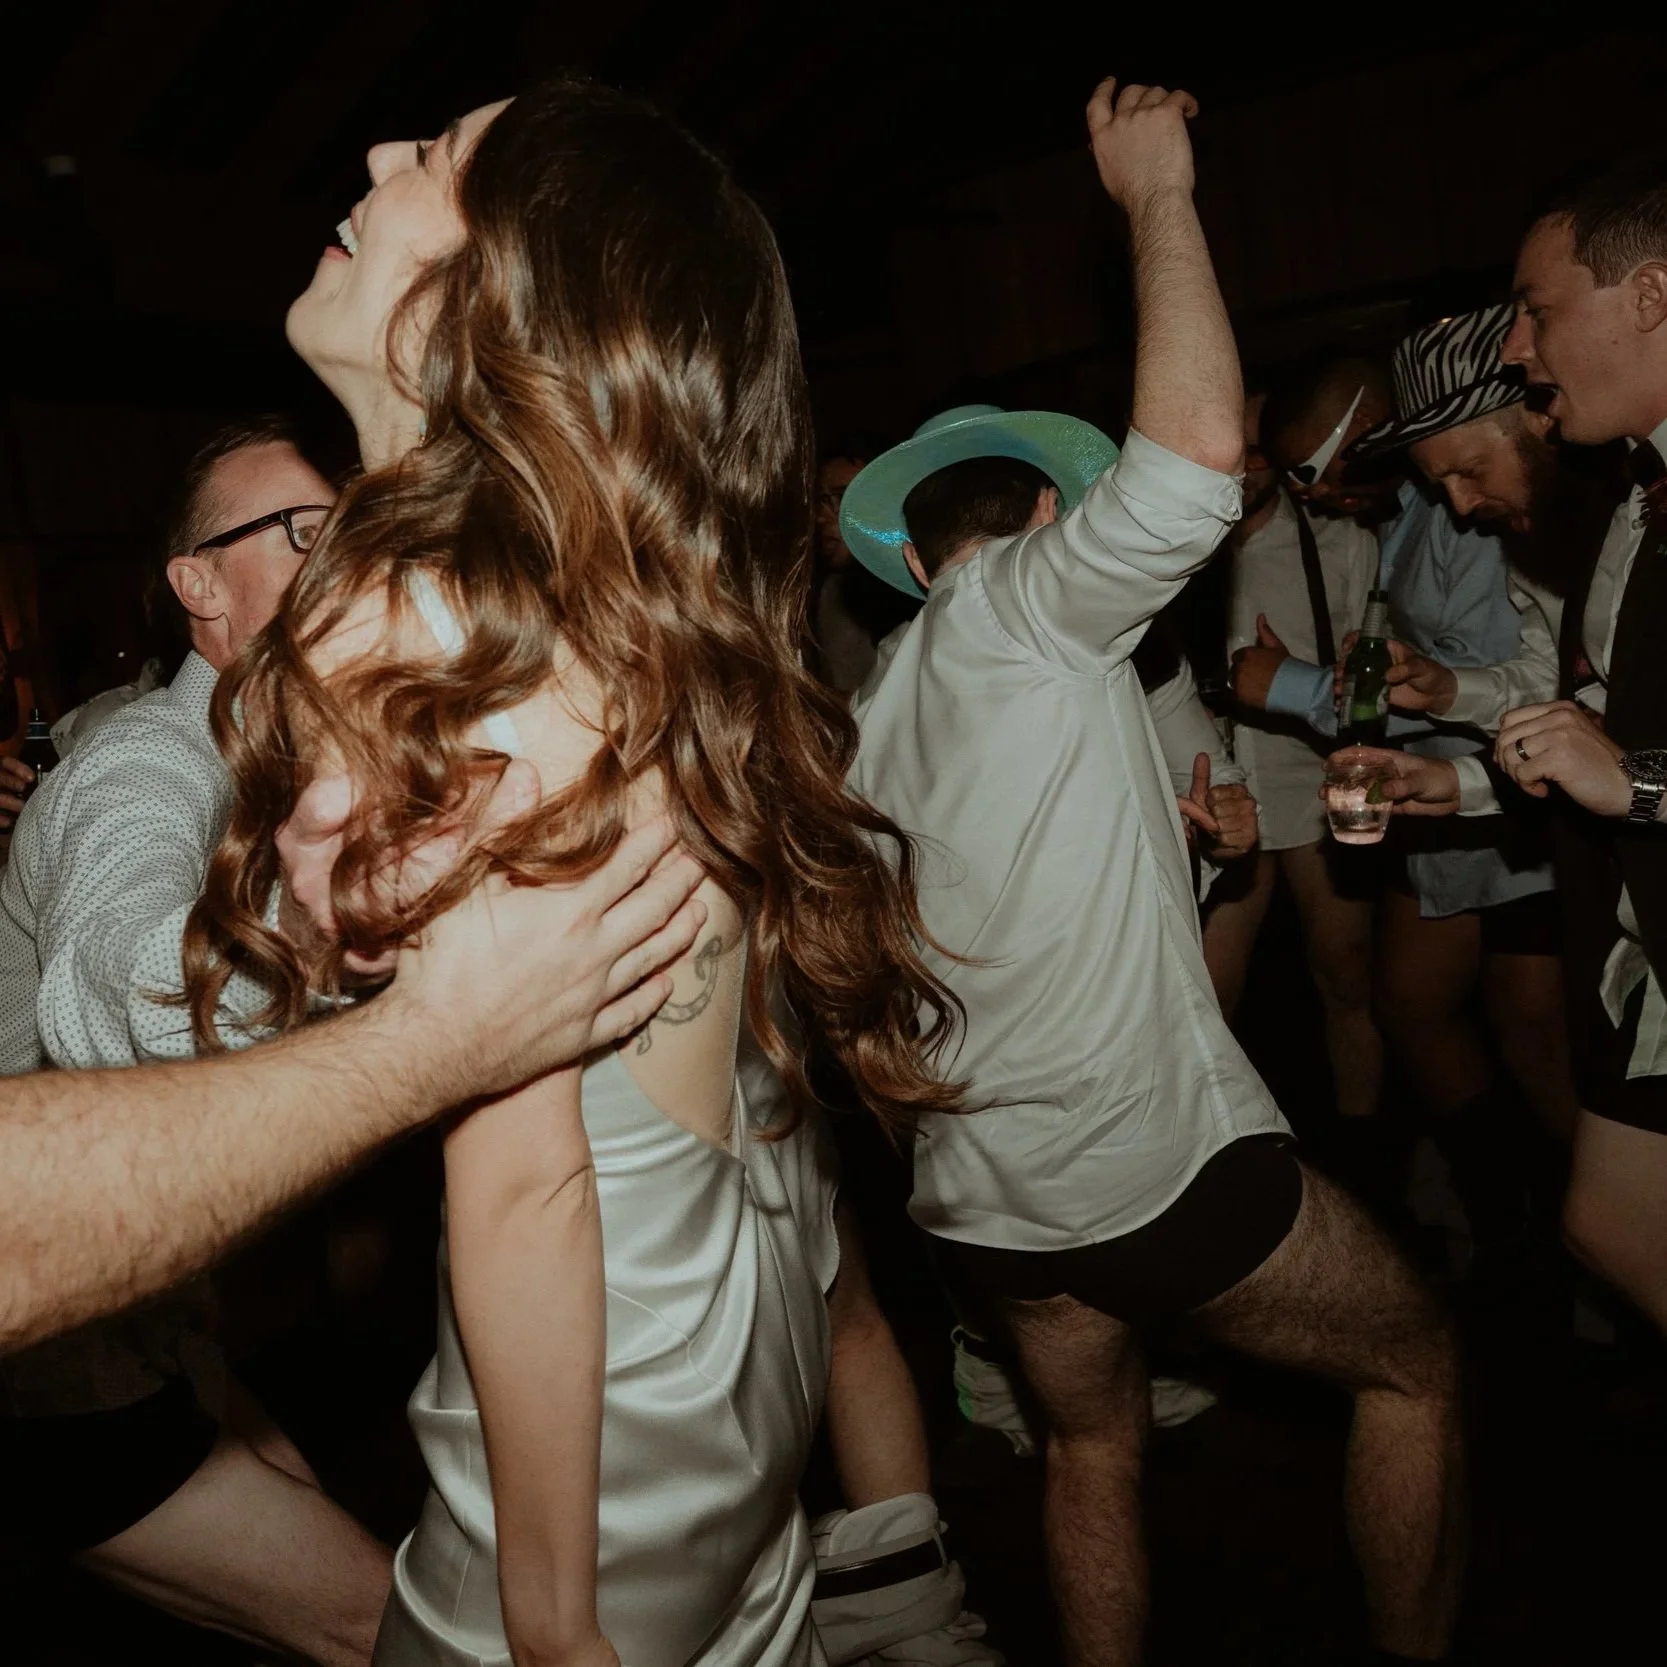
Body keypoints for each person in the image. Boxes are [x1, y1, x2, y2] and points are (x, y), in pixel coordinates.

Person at [185, 78, 964, 1667]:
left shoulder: (434, 634)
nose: (379, 153)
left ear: (512, 295)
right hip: (722, 1374)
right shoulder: (606, 610)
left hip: (598, 1445)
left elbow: (526, 1166)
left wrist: (550, 1623)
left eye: (438, 157)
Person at [841, 79, 1460, 1667]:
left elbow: (971, 918)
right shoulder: (1026, 607)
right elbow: (1193, 459)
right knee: (1411, 1364)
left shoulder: (881, 705)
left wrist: (1189, 857)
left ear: (904, 556)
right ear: (1049, 520)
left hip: (982, 1197)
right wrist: (1157, 196)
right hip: (1135, 1169)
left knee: (1088, 1446)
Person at [0, 417, 403, 1667]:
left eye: (347, 525)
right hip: (40, 1360)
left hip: (139, 1316)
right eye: (299, 531)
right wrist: (347, 939)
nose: (339, 551)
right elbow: (123, 988)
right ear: (199, 585)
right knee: (387, 1626)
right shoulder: (144, 762)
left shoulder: (267, 757)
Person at [0, 769, 702, 1349]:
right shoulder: (143, 756)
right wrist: (433, 1035)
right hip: (92, 1371)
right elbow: (97, 998)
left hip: (164, 1338)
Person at [1350, 160, 1667, 1332]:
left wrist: (1633, 783)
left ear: (1647, 296)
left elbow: (1623, 764)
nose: (1518, 348)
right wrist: (1460, 778)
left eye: (1534, 310)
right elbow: (1589, 724)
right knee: (1609, 1219)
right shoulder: (1636, 499)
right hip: (1638, 924)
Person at [1244, 330, 1574, 1251]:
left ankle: (1576, 1221)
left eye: (1309, 469)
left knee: (1531, 1034)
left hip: (1522, 821)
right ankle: (1515, 1215)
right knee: (1412, 1006)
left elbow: (1537, 694)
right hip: (1461, 801)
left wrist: (1289, 687)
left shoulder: (1479, 520)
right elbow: (1464, 680)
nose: (1309, 495)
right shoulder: (1407, 518)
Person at [1208, 391, 1385, 1115]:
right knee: (1207, 996)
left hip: (1321, 781)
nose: (1248, 466)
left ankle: (1367, 1149)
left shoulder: (1341, 540)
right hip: (1217, 791)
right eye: (1236, 451)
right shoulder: (1174, 551)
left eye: (1261, 452)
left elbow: (1380, 679)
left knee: (1347, 977)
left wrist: (1293, 683)